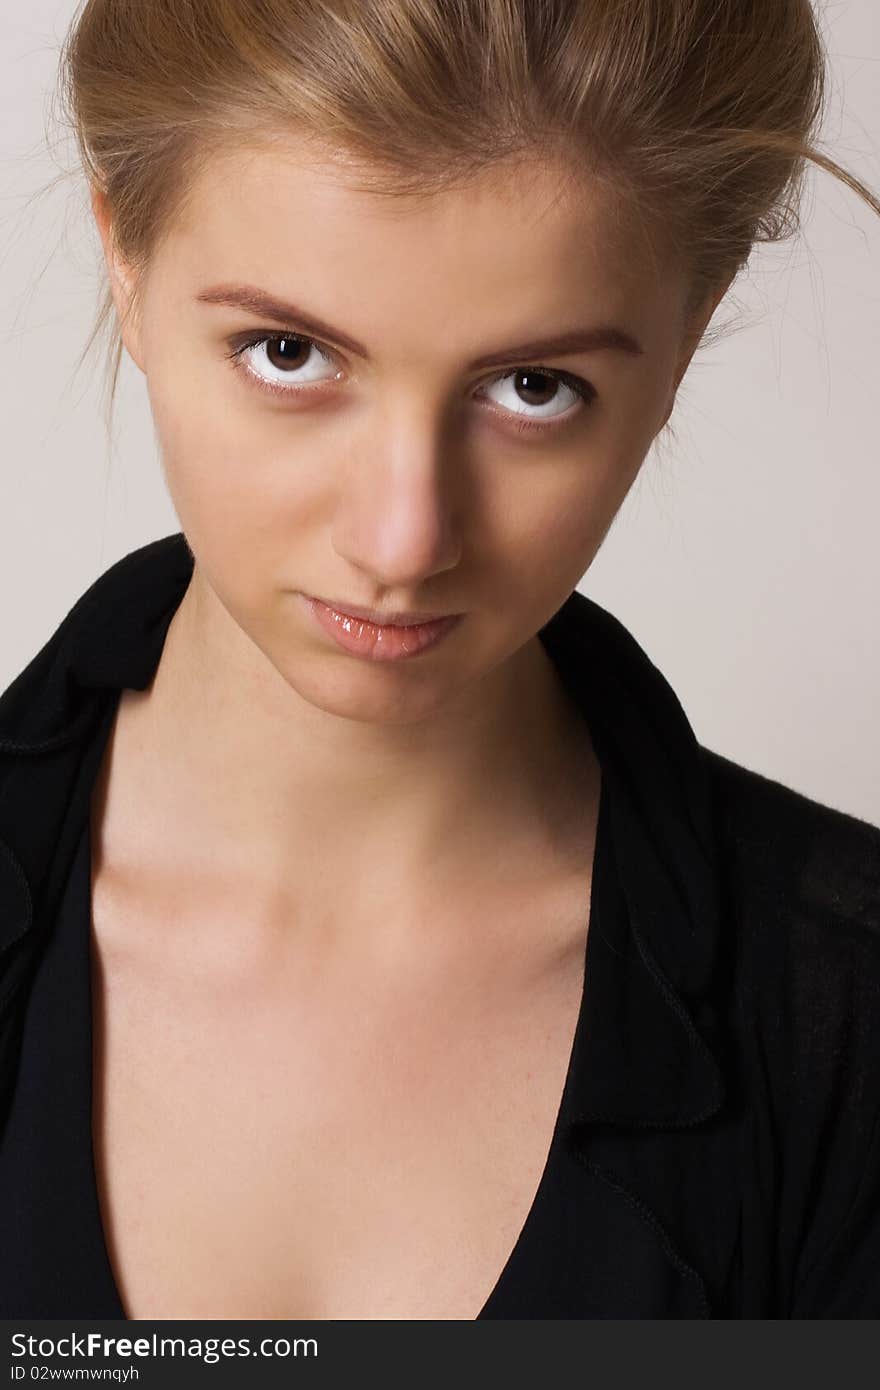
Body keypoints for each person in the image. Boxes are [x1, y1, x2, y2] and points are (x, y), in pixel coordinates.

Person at [0, 0, 878, 1321]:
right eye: (288, 353)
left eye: (534, 387)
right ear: (123, 255)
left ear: (686, 338)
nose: (403, 539)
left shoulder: (852, 1024)